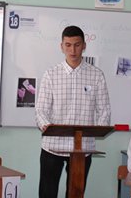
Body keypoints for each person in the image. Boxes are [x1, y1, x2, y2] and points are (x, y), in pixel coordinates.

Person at [35, 25, 111, 198]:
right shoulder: (51, 74)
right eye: (68, 45)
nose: (73, 50)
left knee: (76, 194)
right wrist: (45, 125)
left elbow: (104, 110)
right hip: (53, 146)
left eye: (77, 45)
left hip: (82, 148)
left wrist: (98, 129)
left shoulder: (96, 75)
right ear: (61, 46)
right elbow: (41, 109)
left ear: (84, 46)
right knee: (47, 194)